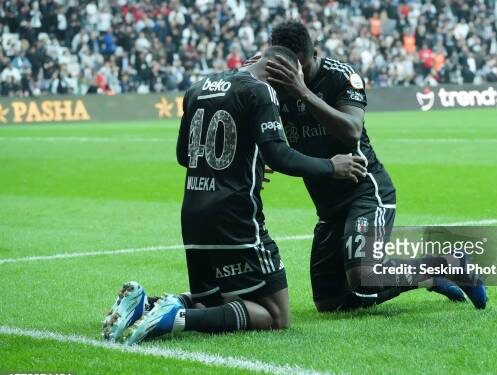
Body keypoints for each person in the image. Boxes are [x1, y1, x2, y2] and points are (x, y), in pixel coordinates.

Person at [102, 46, 368, 344]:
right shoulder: (260, 91)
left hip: (193, 213)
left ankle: (145, 305)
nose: (292, 94)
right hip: (235, 215)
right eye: (292, 84)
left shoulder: (197, 88)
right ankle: (176, 317)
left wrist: (247, 161)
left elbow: (184, 155)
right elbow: (280, 156)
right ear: (280, 72)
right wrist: (332, 166)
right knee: (276, 315)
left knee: (216, 302)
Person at [264, 21, 487, 312]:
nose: (297, 75)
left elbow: (352, 130)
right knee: (331, 303)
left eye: (303, 67)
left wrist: (303, 91)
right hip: (328, 207)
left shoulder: (340, 76)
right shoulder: (274, 82)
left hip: (365, 192)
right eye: (290, 69)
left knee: (363, 277)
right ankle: (428, 275)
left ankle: (449, 263)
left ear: (315, 53)